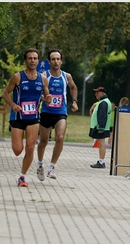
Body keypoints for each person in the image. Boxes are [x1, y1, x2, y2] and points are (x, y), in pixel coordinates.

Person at [2, 48, 52, 187]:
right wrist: (13, 104)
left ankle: (22, 177)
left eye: (35, 58)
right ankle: (15, 135)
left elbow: (46, 96)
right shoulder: (18, 77)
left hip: (33, 117)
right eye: (30, 58)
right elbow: (5, 93)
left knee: (30, 148)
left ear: (38, 61)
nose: (32, 61)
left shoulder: (42, 78)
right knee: (18, 150)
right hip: (17, 117)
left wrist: (48, 99)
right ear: (25, 60)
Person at [36, 49, 78, 181]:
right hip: (47, 112)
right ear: (49, 62)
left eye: (58, 59)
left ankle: (52, 167)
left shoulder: (67, 76)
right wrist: (43, 98)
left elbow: (73, 87)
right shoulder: (44, 76)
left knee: (60, 137)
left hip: (61, 112)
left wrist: (75, 101)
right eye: (53, 59)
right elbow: (37, 91)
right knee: (44, 141)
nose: (56, 61)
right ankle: (40, 164)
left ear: (61, 61)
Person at [89, 87, 112, 168]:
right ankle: (101, 161)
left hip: (101, 128)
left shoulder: (103, 103)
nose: (96, 94)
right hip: (101, 127)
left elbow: (102, 116)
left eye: (97, 93)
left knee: (102, 144)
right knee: (101, 144)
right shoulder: (103, 102)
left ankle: (101, 162)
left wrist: (101, 128)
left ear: (102, 93)